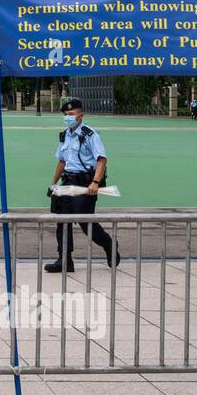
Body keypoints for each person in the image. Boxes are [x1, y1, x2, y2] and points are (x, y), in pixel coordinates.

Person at [46, 99, 119, 273]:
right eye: (65, 115)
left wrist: (95, 182)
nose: (67, 117)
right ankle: (65, 260)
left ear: (81, 114)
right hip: (67, 183)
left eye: (70, 114)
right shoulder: (64, 135)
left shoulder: (90, 134)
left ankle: (109, 244)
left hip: (85, 184)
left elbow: (101, 159)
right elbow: (62, 161)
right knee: (62, 222)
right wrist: (53, 183)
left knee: (86, 223)